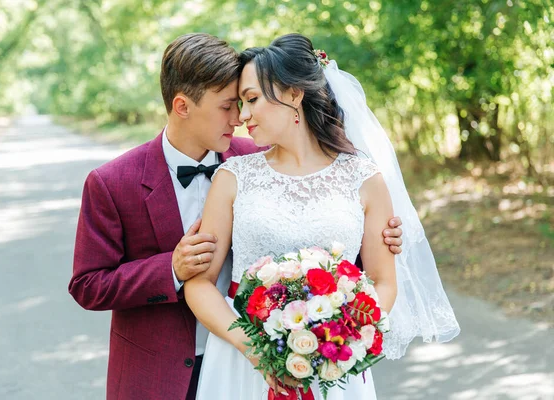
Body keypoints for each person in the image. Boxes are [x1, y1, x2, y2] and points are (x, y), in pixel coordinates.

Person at [69, 33, 405, 400]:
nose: (241, 118)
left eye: (245, 102)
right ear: (183, 106)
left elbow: (323, 228)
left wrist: (373, 240)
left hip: (275, 355)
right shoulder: (112, 182)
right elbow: (87, 283)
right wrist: (172, 270)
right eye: (228, 106)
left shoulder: (251, 157)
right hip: (165, 368)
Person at [184, 33, 460, 400]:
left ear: (294, 94)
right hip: (243, 363)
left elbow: (383, 282)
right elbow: (199, 283)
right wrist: (253, 349)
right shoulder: (233, 177)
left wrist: (341, 337)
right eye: (238, 103)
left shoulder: (365, 178)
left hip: (334, 362)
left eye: (251, 99)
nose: (242, 116)